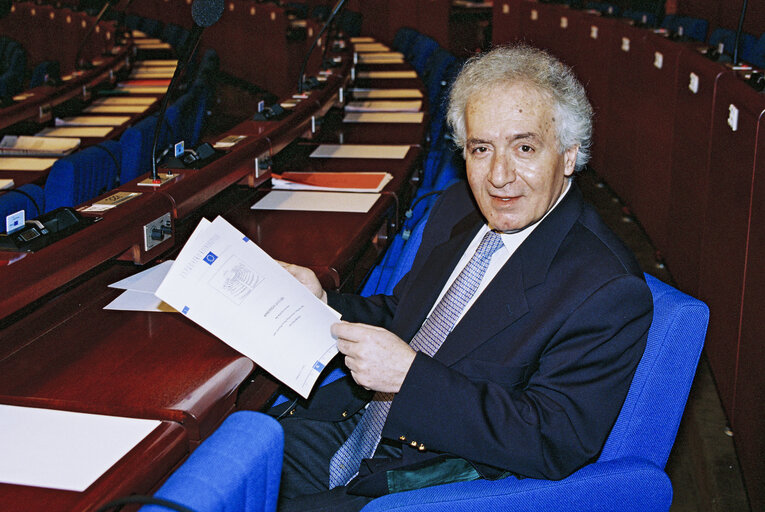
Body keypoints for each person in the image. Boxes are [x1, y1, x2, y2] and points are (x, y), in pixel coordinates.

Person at [273, 44, 653, 511]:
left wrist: (409, 378)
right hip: (354, 426)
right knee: (219, 460)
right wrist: (324, 302)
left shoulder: (607, 289)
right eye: (481, 149)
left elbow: (553, 440)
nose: (498, 176)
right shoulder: (460, 207)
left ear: (569, 156)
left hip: (426, 478)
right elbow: (408, 314)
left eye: (525, 148)